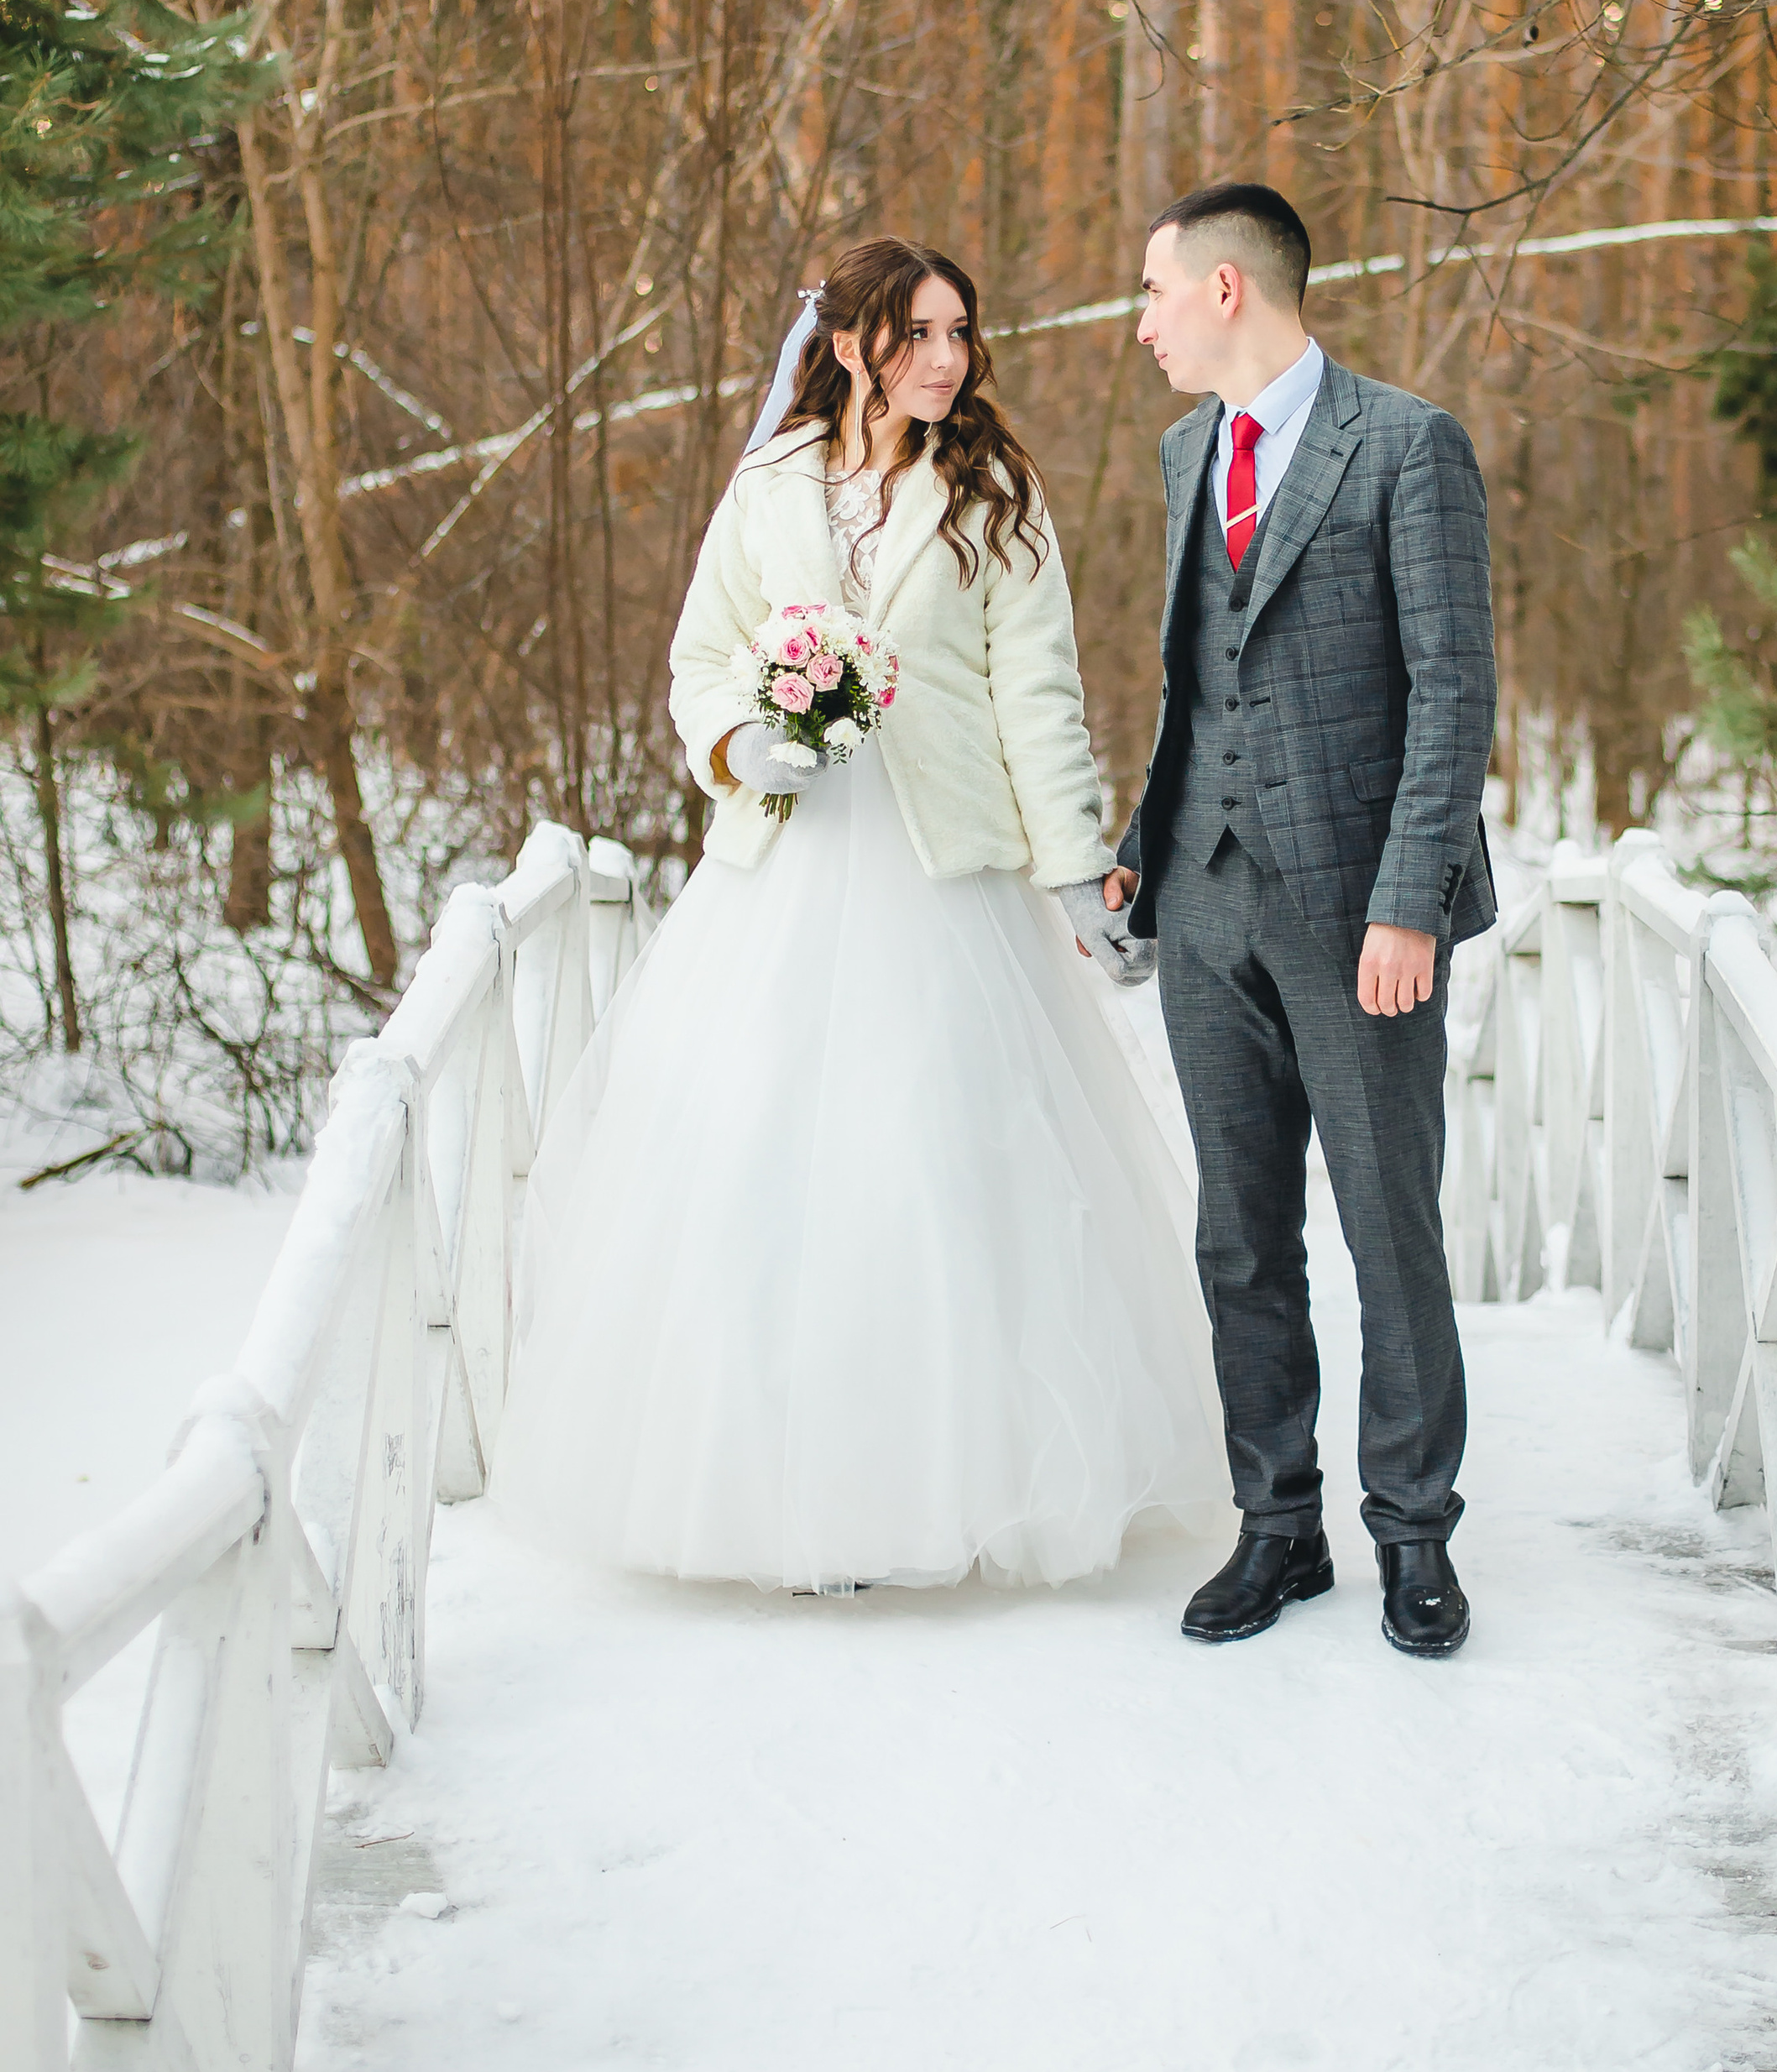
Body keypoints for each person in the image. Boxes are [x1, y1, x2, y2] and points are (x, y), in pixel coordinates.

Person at [489, 238, 1228, 1593]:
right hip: (784, 870)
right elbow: (702, 654)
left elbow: (1038, 699)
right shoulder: (770, 484)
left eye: (959, 332)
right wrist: (736, 744)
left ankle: (938, 1500)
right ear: (850, 347)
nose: (946, 358)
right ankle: (780, 1504)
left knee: (934, 1171)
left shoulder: (995, 490)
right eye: (916, 334)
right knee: (763, 1172)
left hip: (946, 876)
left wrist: (1073, 868)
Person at [1102, 181, 1497, 1657]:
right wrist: (1146, 852)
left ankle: (1414, 1536)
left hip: (1357, 916)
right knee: (1241, 1240)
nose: (1138, 323)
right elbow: (1197, 685)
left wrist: (1412, 905)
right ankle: (1279, 1529)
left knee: (1389, 1227)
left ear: (1223, 291)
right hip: (1206, 903)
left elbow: (1454, 697)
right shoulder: (1182, 452)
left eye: (1151, 293)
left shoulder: (1408, 446)